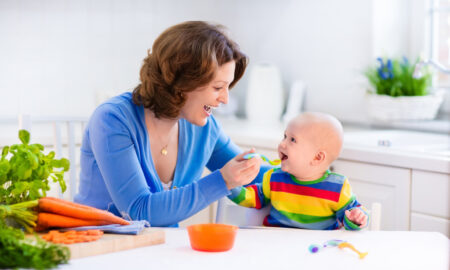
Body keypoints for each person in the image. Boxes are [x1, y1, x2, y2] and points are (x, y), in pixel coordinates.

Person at [74, 21, 266, 227]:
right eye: (218, 87)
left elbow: (258, 177)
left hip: (160, 248)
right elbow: (138, 211)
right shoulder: (113, 119)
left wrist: (296, 165)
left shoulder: (204, 129)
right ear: (183, 83)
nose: (225, 99)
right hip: (99, 245)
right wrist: (222, 181)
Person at [229, 112, 369, 230]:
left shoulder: (337, 187)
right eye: (285, 136)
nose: (282, 144)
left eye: (293, 140)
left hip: (315, 251)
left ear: (317, 157)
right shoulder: (274, 178)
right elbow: (252, 198)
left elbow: (350, 216)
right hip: (274, 245)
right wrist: (230, 185)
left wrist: (356, 218)